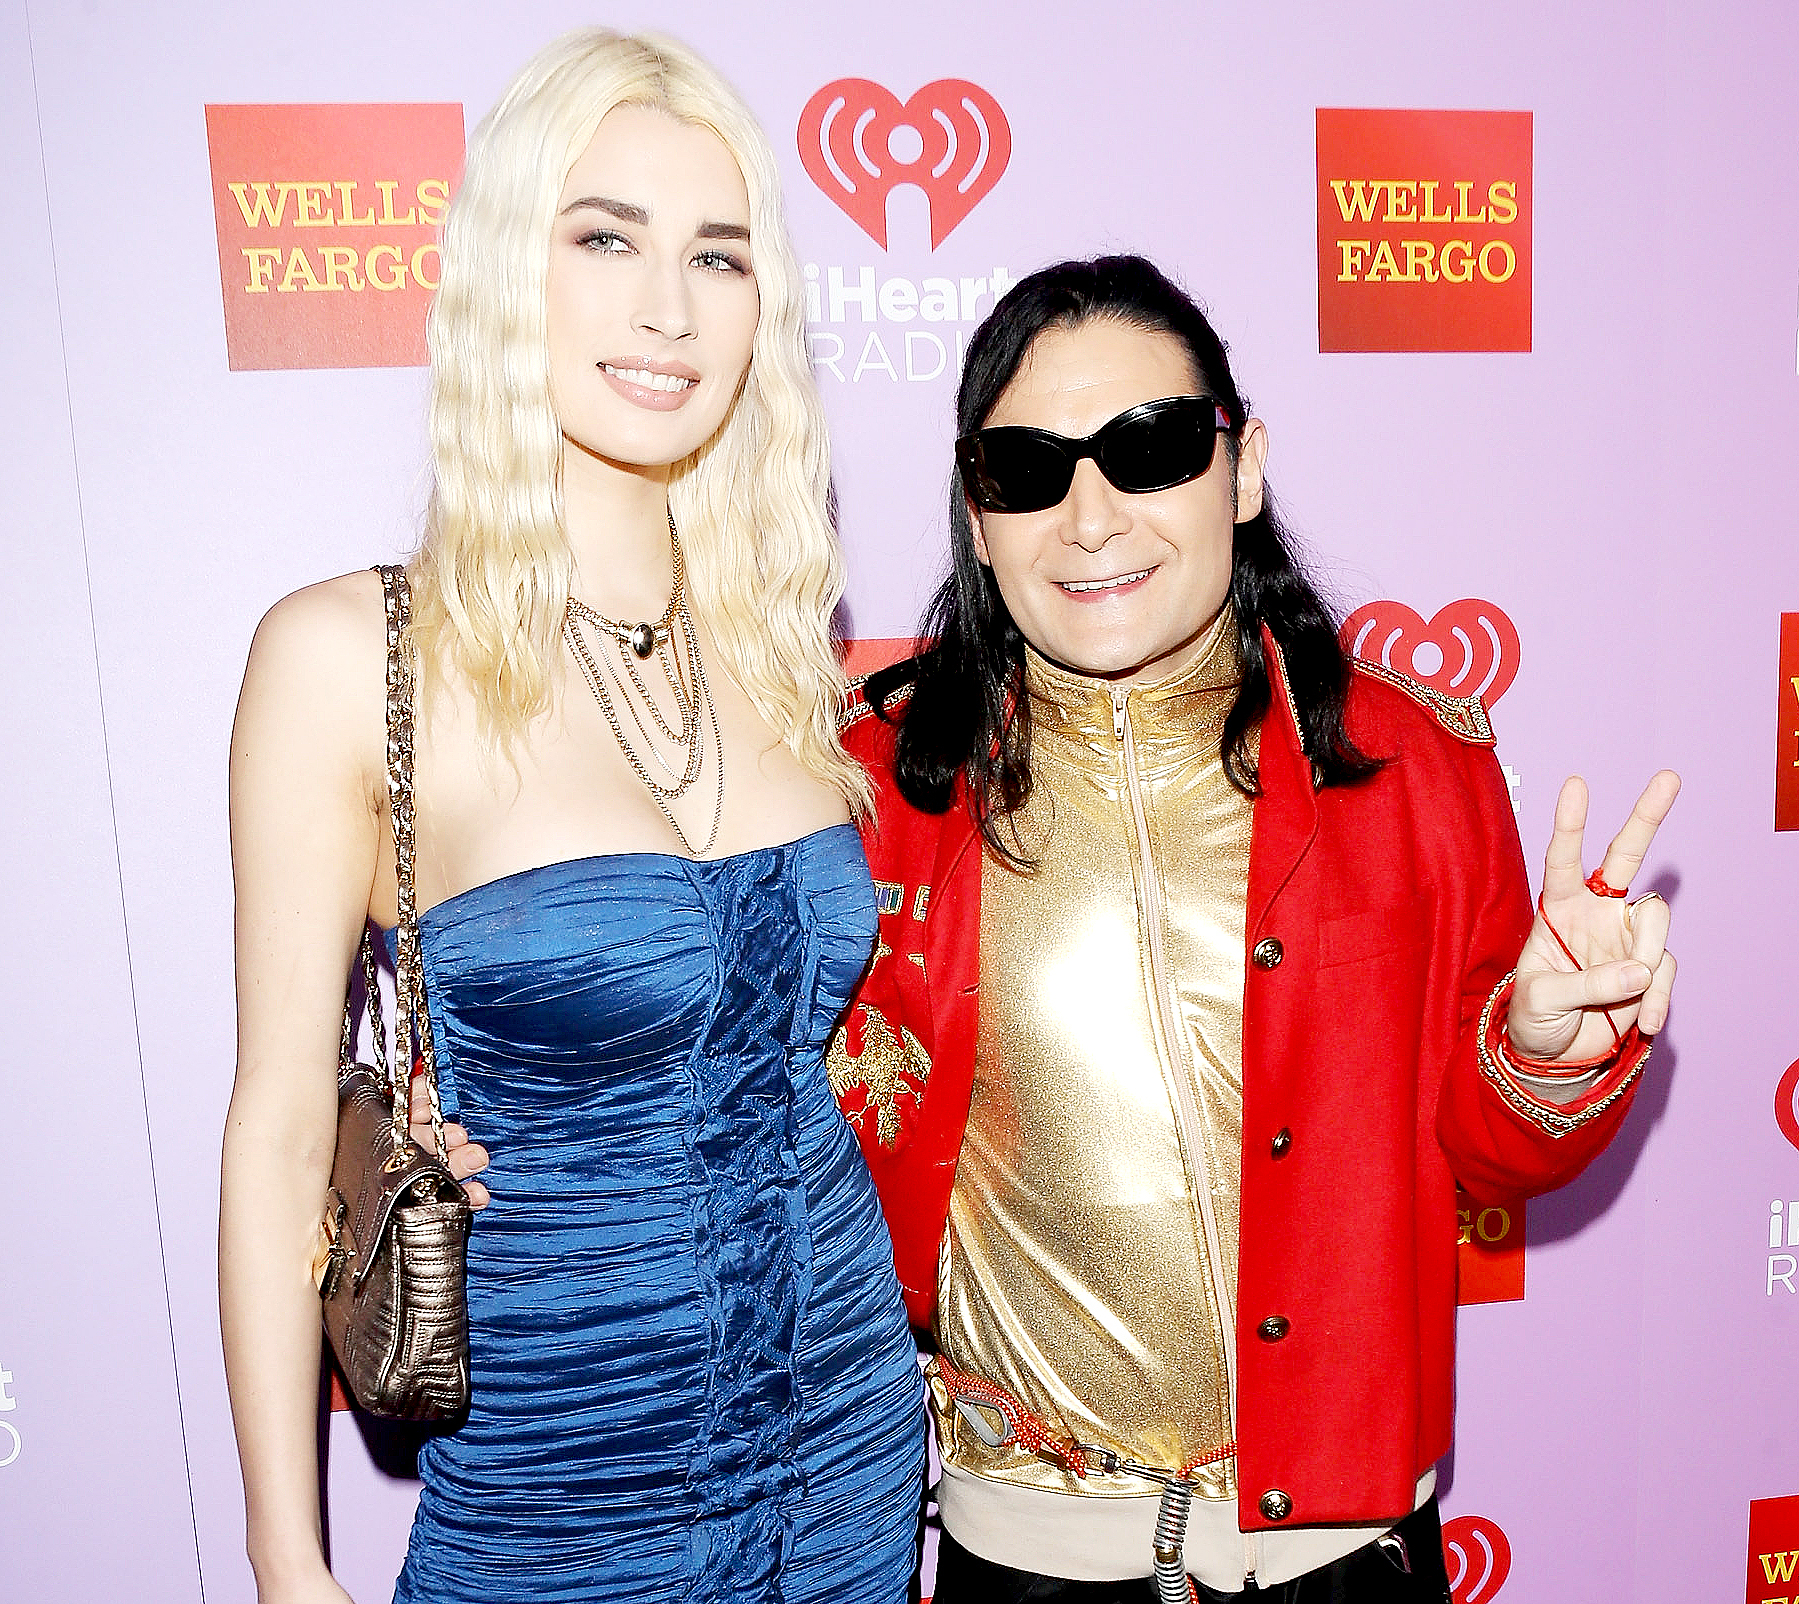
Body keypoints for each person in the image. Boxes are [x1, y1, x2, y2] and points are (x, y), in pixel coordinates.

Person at [822, 255, 1679, 1602]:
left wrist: (1543, 1049)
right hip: (1016, 1552)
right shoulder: (864, 789)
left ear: (1242, 467)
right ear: (975, 517)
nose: (1090, 516)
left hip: (1338, 1556)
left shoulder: (1405, 764)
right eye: (1026, 468)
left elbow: (1491, 1144)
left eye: (1149, 448)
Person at [221, 28, 924, 1604]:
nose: (666, 307)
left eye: (718, 255)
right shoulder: (349, 659)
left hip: (854, 1451)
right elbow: (276, 1129)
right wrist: (286, 1553)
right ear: (502, 271)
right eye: (603, 236)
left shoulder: (778, 649)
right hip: (555, 1489)